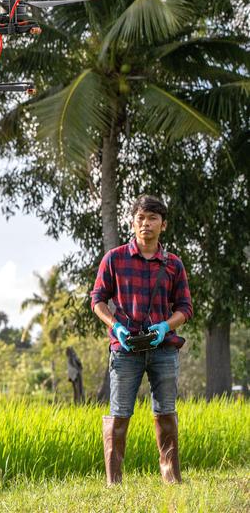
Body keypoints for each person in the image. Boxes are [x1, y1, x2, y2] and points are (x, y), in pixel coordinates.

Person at [90, 194, 193, 485]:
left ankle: (171, 477)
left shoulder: (173, 264)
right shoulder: (115, 259)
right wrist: (115, 326)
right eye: (140, 219)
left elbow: (185, 307)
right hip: (125, 349)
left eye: (152, 219)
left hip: (163, 349)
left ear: (163, 225)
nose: (145, 224)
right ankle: (114, 482)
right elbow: (97, 299)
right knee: (120, 413)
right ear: (133, 223)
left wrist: (165, 326)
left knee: (166, 411)